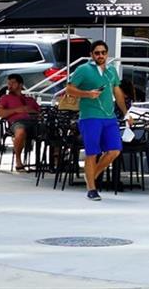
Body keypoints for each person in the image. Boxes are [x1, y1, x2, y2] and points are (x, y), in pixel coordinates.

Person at [65, 40, 125, 201]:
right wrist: (87, 94)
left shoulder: (112, 71)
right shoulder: (84, 69)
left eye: (103, 52)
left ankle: (92, 175)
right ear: (91, 55)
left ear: (107, 54)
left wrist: (126, 113)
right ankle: (92, 188)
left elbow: (117, 92)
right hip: (90, 116)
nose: (100, 55)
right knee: (92, 153)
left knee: (114, 150)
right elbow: (69, 89)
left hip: (109, 117)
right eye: (97, 53)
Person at [0, 74, 40, 172]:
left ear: (20, 85)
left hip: (34, 122)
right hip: (17, 123)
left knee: (54, 130)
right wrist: (17, 110)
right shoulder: (5, 98)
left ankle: (56, 161)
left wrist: (32, 111)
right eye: (8, 83)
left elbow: (41, 113)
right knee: (20, 131)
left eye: (13, 83)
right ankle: (18, 161)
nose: (10, 86)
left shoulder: (30, 99)